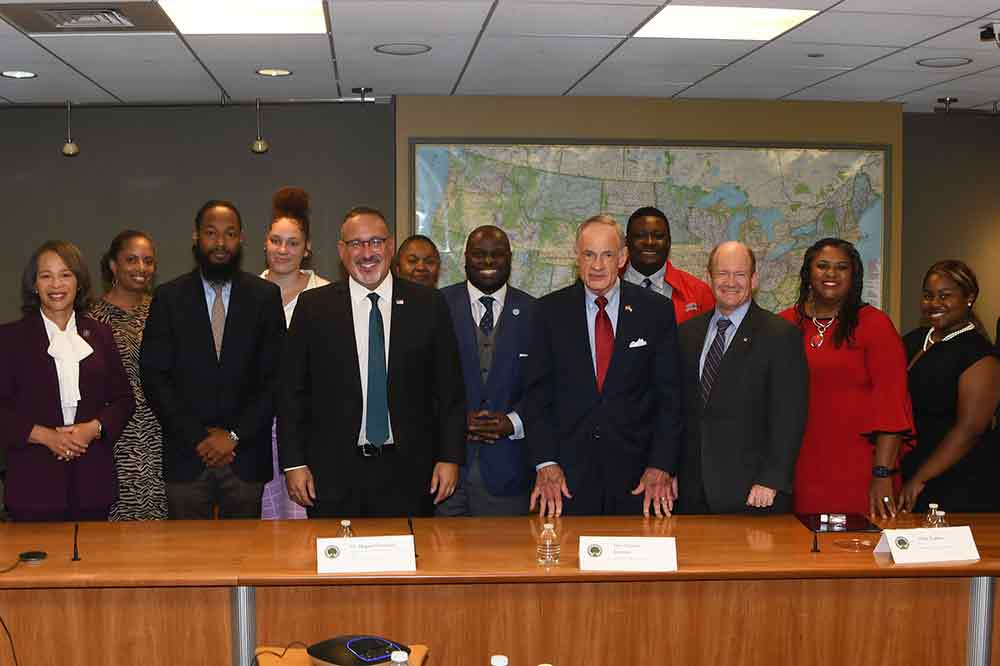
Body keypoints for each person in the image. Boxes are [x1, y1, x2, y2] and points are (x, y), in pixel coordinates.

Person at [278, 206, 465, 517]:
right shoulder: (313, 308)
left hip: (411, 473)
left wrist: (450, 457)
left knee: (407, 563)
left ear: (390, 246)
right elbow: (291, 392)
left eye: (375, 242)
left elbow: (450, 390)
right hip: (332, 474)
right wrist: (294, 463)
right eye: (356, 244)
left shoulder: (429, 305)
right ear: (341, 250)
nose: (367, 253)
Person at [524, 214, 681, 517]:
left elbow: (670, 398)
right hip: (564, 481)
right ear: (577, 257)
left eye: (607, 255)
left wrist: (661, 464)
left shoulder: (656, 311)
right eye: (589, 255)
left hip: (639, 481)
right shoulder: (547, 312)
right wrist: (545, 462)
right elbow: (536, 396)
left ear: (622, 257)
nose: (597, 265)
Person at [140, 200, 285, 519]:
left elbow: (276, 378)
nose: (220, 243)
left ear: (242, 239)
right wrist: (199, 437)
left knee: (245, 559)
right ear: (196, 237)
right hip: (187, 455)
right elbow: (154, 377)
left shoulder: (265, 297)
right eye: (211, 233)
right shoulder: (169, 297)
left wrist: (233, 437)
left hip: (244, 456)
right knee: (187, 561)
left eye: (230, 233)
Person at [779, 238, 914, 517]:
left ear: (854, 276)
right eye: (822, 266)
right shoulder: (784, 324)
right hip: (797, 466)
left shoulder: (875, 326)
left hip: (859, 469)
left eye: (842, 267)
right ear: (808, 273)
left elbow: (892, 405)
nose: (831, 274)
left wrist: (882, 473)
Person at [0, 241, 134, 521]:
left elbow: (124, 400)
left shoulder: (101, 335)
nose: (56, 284)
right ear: (34, 284)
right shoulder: (10, 339)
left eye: (65, 274)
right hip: (33, 481)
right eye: (46, 275)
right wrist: (45, 436)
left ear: (79, 282)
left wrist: (92, 429)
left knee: (95, 562)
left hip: (92, 481)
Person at [674, 241, 808, 514]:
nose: (730, 282)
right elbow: (679, 410)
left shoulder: (781, 336)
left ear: (754, 279)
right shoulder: (687, 333)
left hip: (753, 492)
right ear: (709, 277)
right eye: (722, 273)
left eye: (740, 274)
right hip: (691, 491)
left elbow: (789, 416)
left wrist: (770, 479)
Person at [437, 226, 536, 516]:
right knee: (443, 559)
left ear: (510, 258)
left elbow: (545, 387)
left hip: (511, 474)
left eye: (497, 255)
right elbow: (420, 384)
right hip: (446, 473)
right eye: (479, 255)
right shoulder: (437, 306)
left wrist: (513, 421)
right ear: (466, 258)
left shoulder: (535, 312)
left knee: (504, 560)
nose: (488, 262)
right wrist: (455, 421)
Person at [899, 260, 1000, 513]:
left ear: (969, 298)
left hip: (957, 480)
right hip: (911, 469)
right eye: (928, 295)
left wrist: (920, 478)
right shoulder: (913, 339)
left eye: (945, 296)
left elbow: (970, 430)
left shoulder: (978, 353)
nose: (934, 303)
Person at [259, 187, 330, 520]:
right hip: (257, 431)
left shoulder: (328, 295)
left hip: (312, 431)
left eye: (293, 242)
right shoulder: (246, 294)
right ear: (264, 242)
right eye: (276, 241)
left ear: (308, 248)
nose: (282, 250)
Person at [88, 230, 167, 521]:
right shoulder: (90, 318)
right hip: (111, 437)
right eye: (131, 259)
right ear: (113, 265)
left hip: (160, 436)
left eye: (148, 261)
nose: (141, 268)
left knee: (160, 535)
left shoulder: (164, 310)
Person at [621, 206, 714, 324]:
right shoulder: (606, 287)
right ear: (626, 242)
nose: (649, 242)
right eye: (640, 235)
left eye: (658, 236)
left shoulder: (699, 293)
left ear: (669, 242)